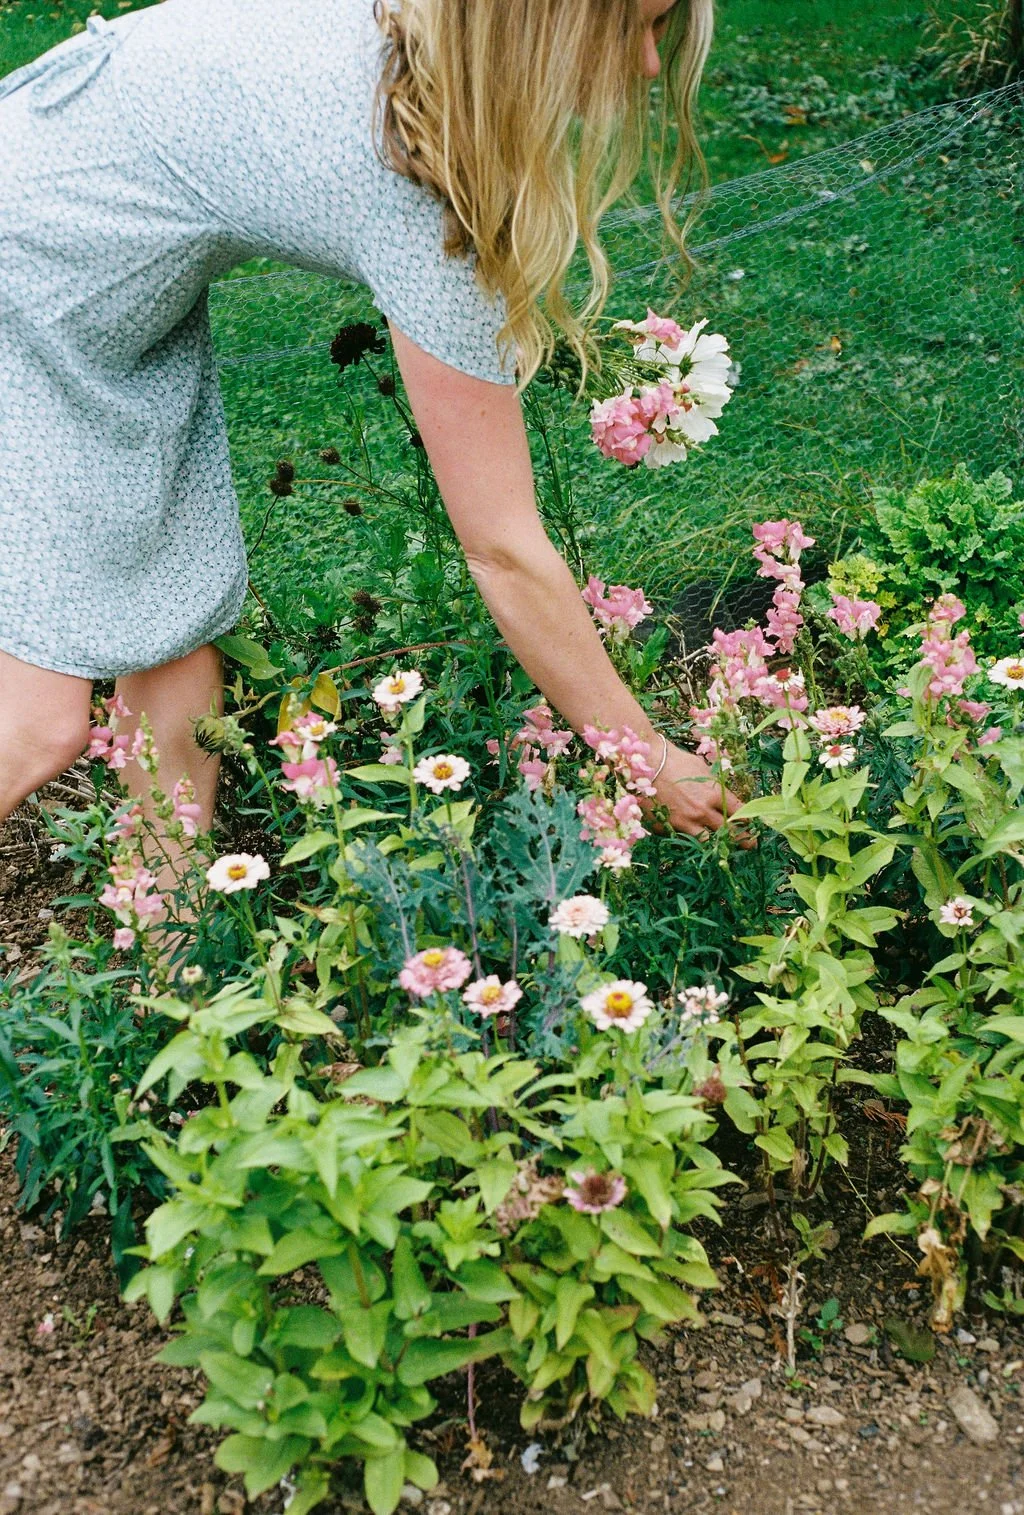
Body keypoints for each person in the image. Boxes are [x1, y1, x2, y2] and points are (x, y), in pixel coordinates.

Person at [0, 0, 737, 850]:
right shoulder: (418, 186)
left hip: (99, 267)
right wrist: (642, 753)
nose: (650, 66)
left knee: (172, 645)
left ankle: (165, 950)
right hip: (29, 273)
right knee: (35, 724)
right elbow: (501, 548)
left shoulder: (417, 22)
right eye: (632, 29)